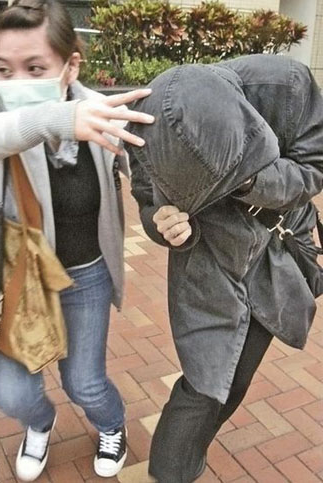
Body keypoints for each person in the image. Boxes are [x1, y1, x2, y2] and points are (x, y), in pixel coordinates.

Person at [0, 0, 155, 481]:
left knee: (85, 383)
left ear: (71, 65)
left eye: (36, 68)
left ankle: (111, 425)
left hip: (85, 277)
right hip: (17, 280)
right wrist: (55, 119)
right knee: (12, 394)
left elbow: (147, 175)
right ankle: (40, 423)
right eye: (5, 68)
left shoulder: (101, 112)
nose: (16, 80)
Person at [127, 54, 323, 482]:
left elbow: (314, 167)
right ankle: (173, 469)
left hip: (276, 250)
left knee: (238, 375)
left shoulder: (287, 86)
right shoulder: (143, 123)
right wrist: (162, 224)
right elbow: (146, 201)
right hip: (208, 256)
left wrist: (251, 181)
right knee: (205, 380)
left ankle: (193, 450)